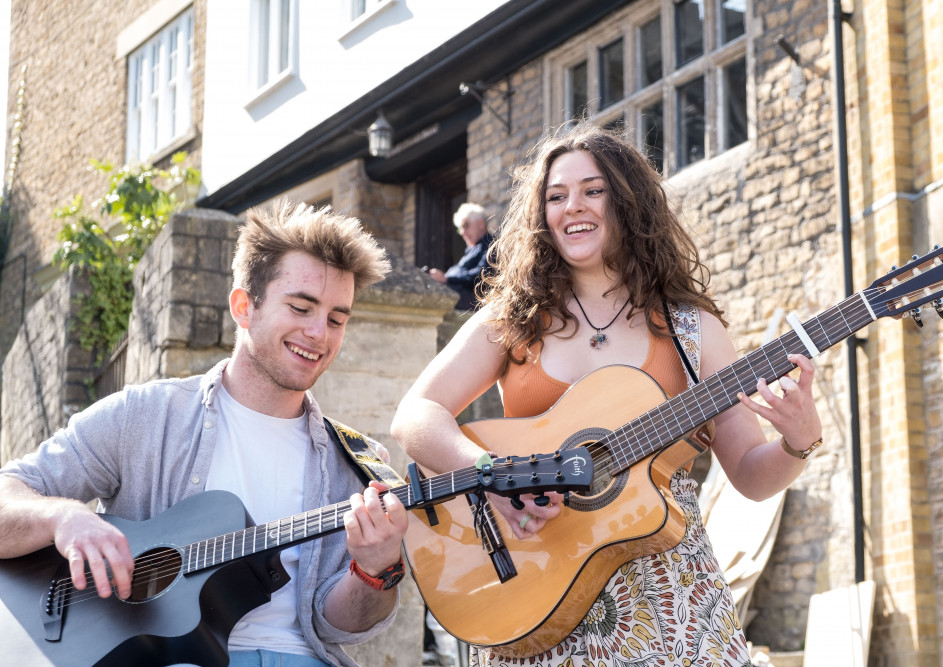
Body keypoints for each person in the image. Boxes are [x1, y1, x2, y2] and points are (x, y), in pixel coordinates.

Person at [390, 124, 823, 666]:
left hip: (669, 601)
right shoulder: (511, 321)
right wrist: (492, 475)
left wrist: (797, 444)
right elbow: (415, 415)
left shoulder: (692, 331)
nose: (574, 207)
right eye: (556, 196)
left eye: (593, 190)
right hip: (535, 589)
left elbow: (751, 476)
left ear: (628, 203)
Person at [0, 200, 409, 666]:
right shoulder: (145, 415)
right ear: (243, 306)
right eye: (301, 307)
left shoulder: (357, 461)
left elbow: (338, 626)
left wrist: (376, 570)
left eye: (337, 319)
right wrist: (62, 519)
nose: (319, 333)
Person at [426, 202, 495, 310]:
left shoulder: (492, 245)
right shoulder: (473, 249)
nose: (462, 232)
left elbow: (483, 275)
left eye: (465, 226)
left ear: (481, 224)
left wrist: (447, 278)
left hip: (477, 303)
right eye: (460, 228)